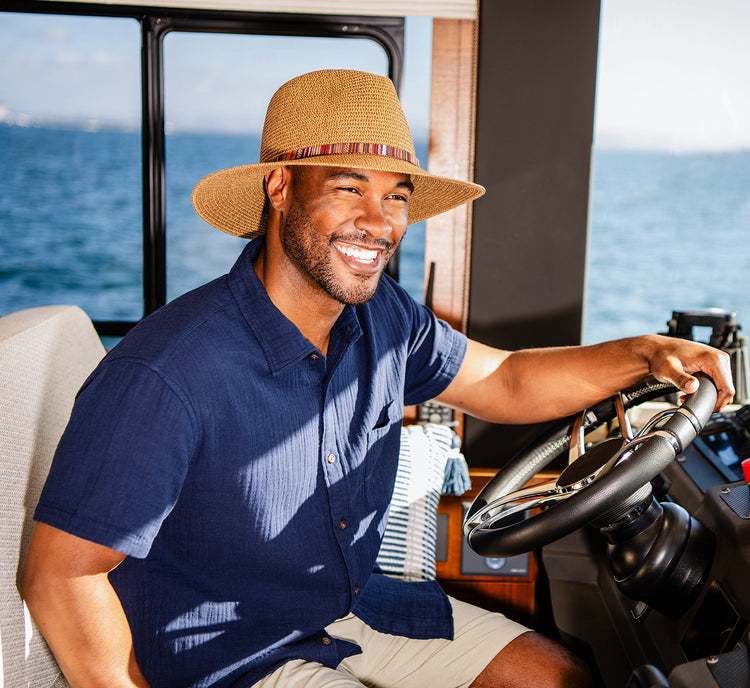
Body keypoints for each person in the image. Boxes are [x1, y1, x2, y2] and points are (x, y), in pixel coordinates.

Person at [21, 69, 734, 688]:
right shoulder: (168, 371)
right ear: (279, 189)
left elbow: (508, 380)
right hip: (229, 658)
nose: (379, 222)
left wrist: (644, 354)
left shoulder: (380, 315)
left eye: (396, 195)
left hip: (349, 604)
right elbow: (61, 576)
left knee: (562, 676)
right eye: (348, 187)